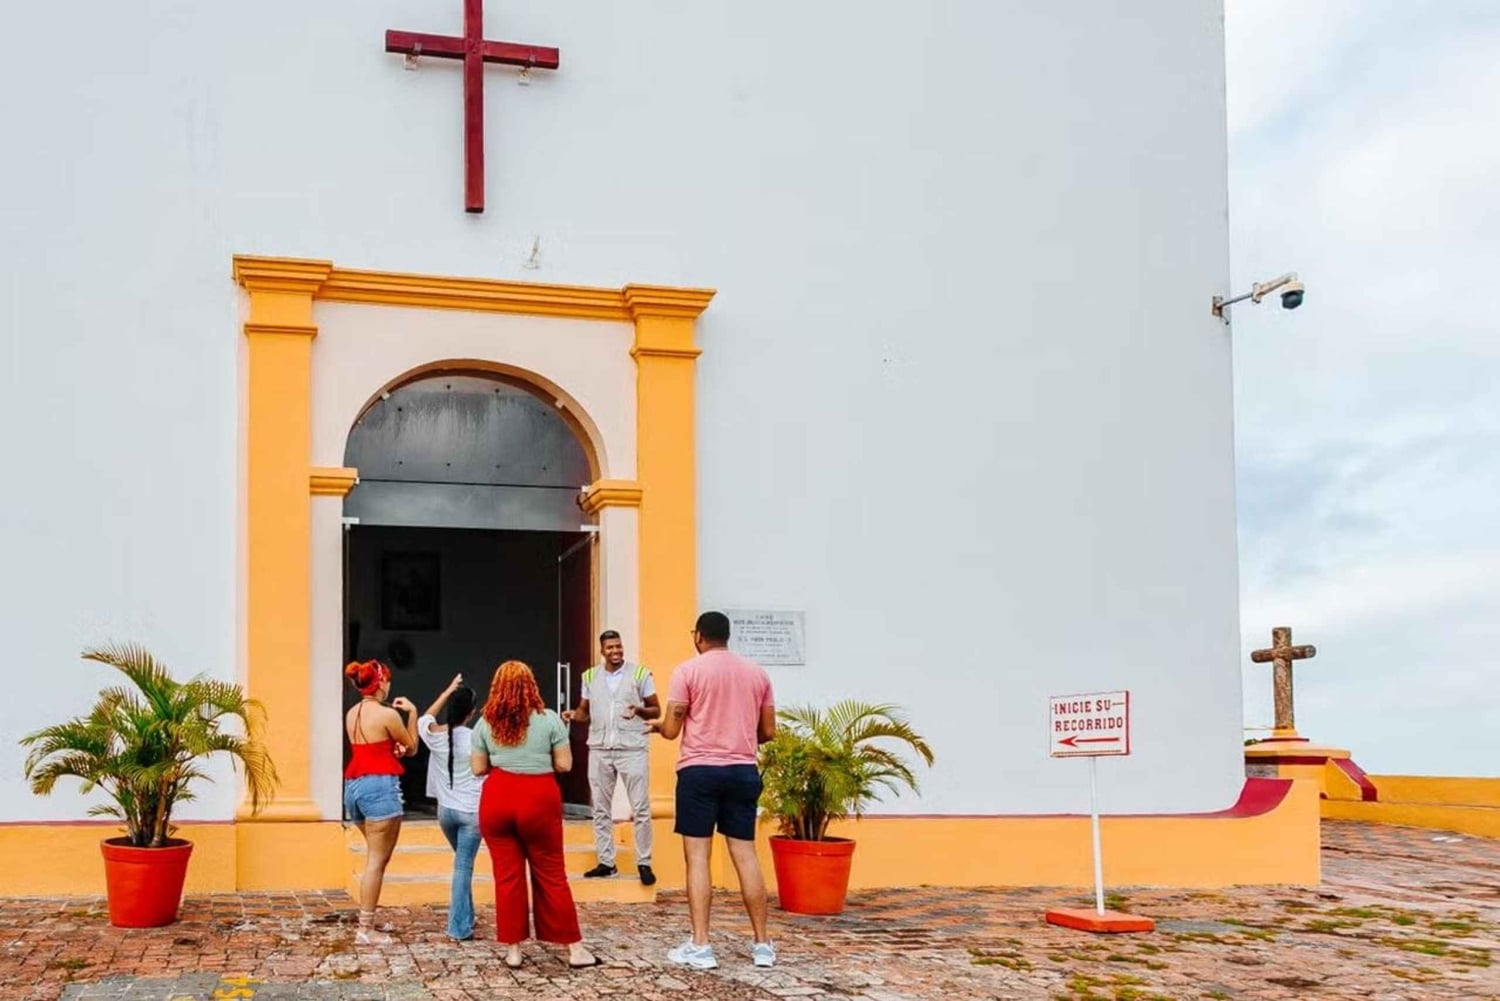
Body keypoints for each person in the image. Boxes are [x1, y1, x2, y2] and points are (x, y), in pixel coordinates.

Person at [646, 611, 777, 970]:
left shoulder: (688, 671)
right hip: (743, 770)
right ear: (727, 636)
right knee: (746, 856)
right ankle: (763, 945)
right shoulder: (757, 673)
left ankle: (701, 945)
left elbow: (672, 729)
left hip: (699, 771)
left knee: (698, 857)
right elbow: (768, 731)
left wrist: (658, 727)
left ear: (700, 636)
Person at [470, 660, 599, 970]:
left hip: (498, 797)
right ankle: (575, 949)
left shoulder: (484, 723)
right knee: (552, 874)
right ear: (531, 686)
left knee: (507, 877)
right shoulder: (549, 720)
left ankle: (514, 951)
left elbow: (477, 768)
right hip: (539, 798)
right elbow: (565, 765)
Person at [561, 629, 660, 885]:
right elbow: (585, 712)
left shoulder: (640, 674)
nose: (616, 651)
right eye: (610, 648)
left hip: (632, 748)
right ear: (602, 650)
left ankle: (644, 862)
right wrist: (573, 715)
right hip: (600, 748)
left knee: (640, 808)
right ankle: (607, 861)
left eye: (619, 647)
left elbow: (656, 709)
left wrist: (638, 710)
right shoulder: (590, 676)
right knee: (601, 808)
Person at [343, 659, 419, 944]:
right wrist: (412, 713)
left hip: (353, 786)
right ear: (380, 683)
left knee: (375, 857)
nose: (389, 685)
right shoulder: (388, 715)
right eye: (387, 680)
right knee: (377, 860)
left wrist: (392, 751)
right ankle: (365, 929)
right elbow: (411, 747)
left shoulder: (352, 713)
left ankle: (369, 918)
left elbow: (375, 749)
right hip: (379, 786)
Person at [418, 673, 481, 942]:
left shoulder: (434, 735)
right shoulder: (476, 738)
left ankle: (467, 915)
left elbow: (425, 718)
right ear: (472, 713)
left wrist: (446, 691)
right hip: (471, 813)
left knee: (461, 864)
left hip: (445, 813)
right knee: (463, 867)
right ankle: (458, 927)